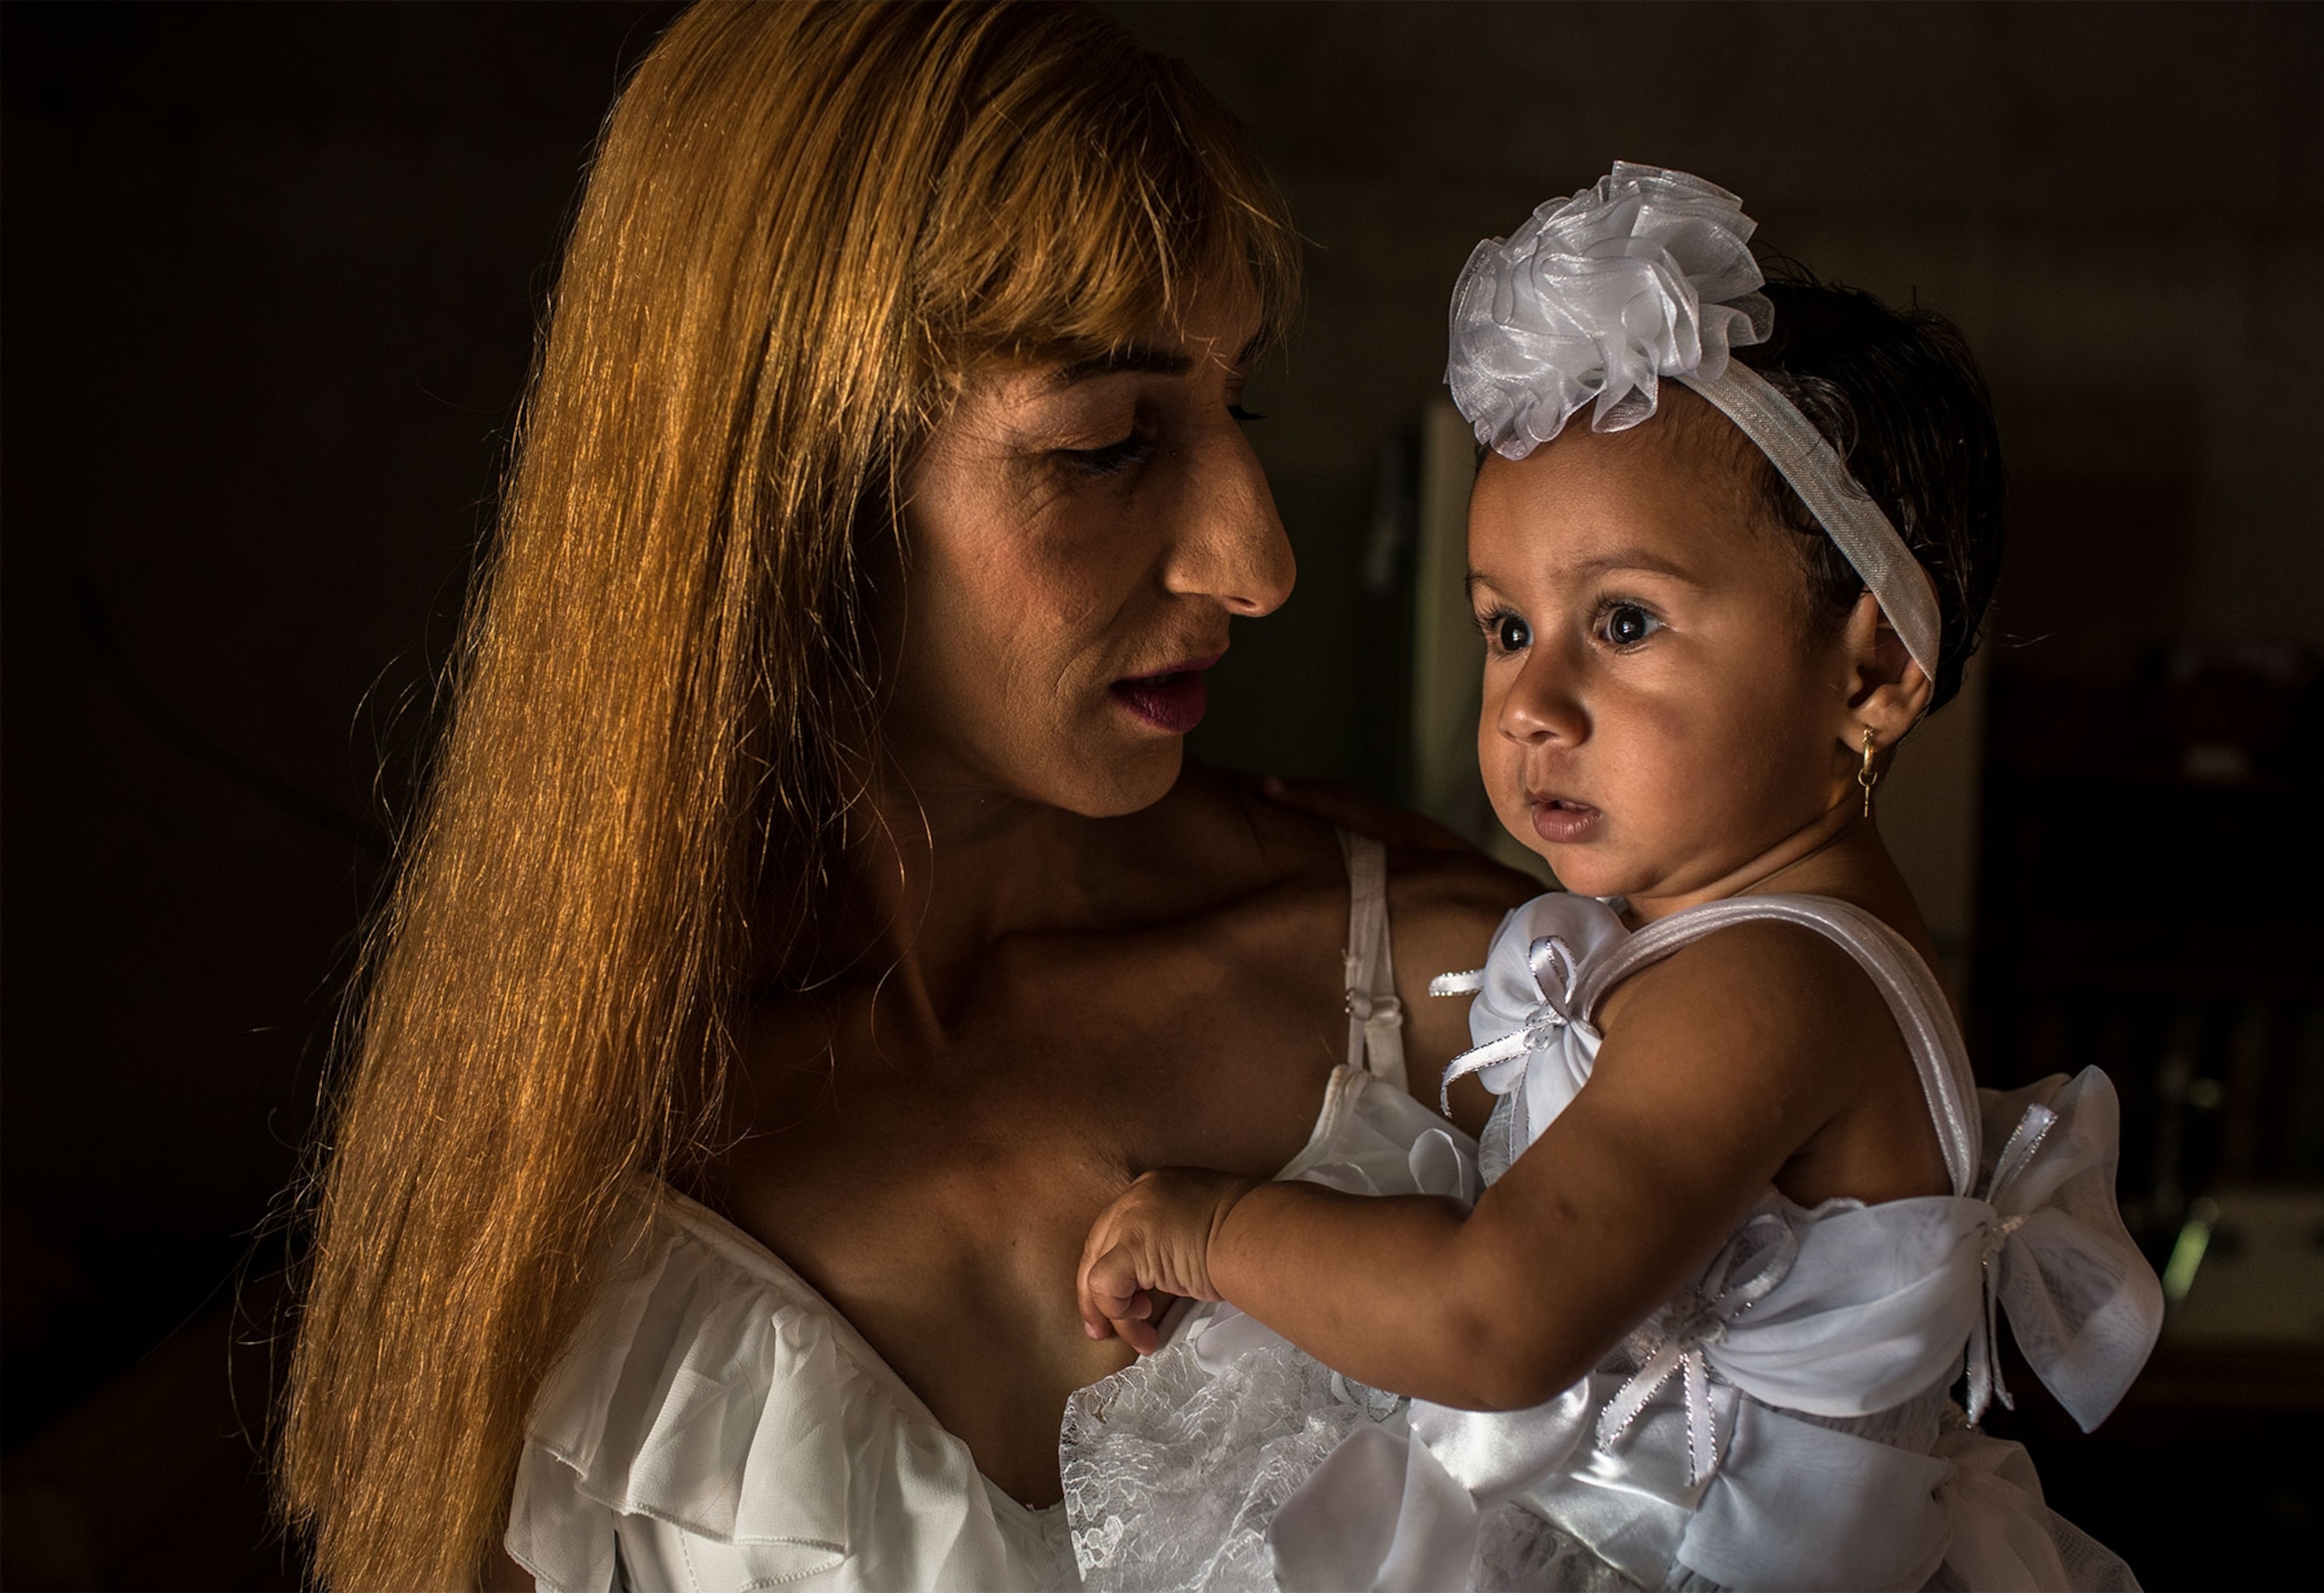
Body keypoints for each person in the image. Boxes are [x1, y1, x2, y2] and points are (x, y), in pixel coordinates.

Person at [272, 5, 1532, 1589]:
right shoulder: (541, 1178)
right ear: (794, 476)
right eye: (1108, 442)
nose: (1257, 560)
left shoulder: (1469, 1000)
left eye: (1238, 409)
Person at [1070, 166, 2164, 1591]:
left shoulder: (1768, 982)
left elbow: (1493, 1321)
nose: (1534, 703)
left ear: (1876, 673)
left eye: (1627, 621)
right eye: (1507, 628)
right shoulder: (1754, 946)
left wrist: (1218, 1229)